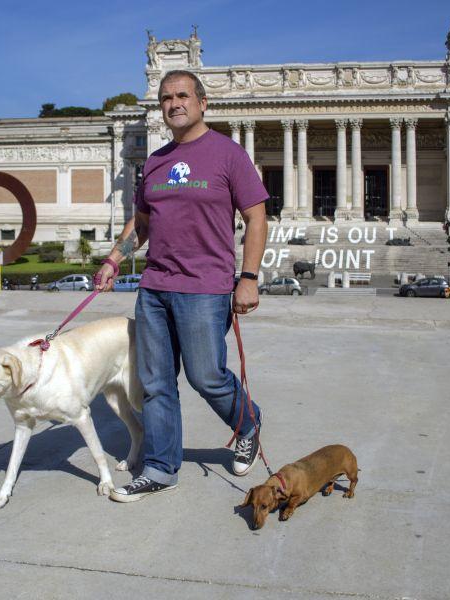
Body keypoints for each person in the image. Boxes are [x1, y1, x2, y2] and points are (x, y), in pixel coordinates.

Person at [93, 69, 269, 502]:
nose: (174, 103)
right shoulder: (154, 162)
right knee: (156, 383)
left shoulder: (228, 154)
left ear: (202, 102)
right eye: (166, 97)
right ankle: (161, 467)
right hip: (154, 287)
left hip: (206, 287)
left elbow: (257, 215)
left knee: (207, 376)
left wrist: (247, 277)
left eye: (182, 95)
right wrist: (116, 257)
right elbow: (144, 222)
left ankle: (247, 423)